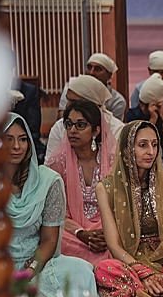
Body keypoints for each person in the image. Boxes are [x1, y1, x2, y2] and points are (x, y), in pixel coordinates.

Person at [2, 113, 117, 297]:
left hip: (38, 262)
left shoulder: (47, 181)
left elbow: (49, 239)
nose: (17, 146)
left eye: (22, 139)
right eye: (8, 140)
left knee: (80, 271)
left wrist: (31, 270)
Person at [94, 121, 163, 297]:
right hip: (131, 265)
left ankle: (146, 293)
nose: (150, 152)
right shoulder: (106, 188)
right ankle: (158, 292)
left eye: (154, 144)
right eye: (142, 145)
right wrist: (146, 273)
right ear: (127, 149)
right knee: (105, 268)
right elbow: (113, 245)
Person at [44, 97, 116, 264]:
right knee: (55, 240)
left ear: (96, 131)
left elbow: (121, 205)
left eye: (81, 125)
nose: (73, 130)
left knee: (120, 240)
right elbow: (54, 211)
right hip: (72, 233)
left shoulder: (113, 161)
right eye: (69, 124)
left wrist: (107, 232)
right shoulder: (57, 164)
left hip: (108, 229)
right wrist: (80, 233)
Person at [45, 74, 125, 164]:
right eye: (68, 100)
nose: (67, 106)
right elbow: (49, 168)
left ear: (93, 105)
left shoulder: (117, 129)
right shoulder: (60, 127)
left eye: (74, 102)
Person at [83, 52, 128, 120]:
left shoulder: (117, 101)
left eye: (97, 69)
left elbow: (113, 127)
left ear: (109, 75)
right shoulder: (72, 91)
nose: (91, 73)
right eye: (89, 67)